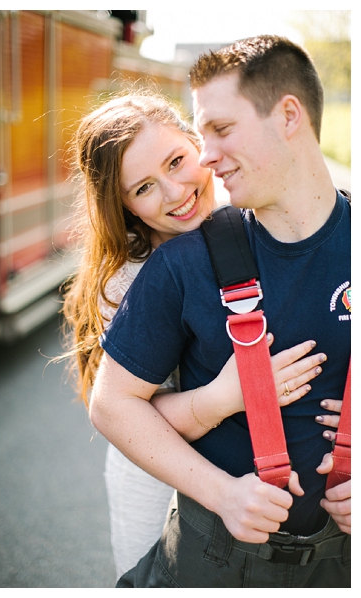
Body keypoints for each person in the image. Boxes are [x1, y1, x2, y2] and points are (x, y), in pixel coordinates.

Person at [89, 35, 350, 587]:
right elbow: (116, 406)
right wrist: (232, 402)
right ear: (129, 209)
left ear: (288, 116)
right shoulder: (152, 272)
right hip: (172, 489)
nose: (198, 167)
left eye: (215, 135)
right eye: (143, 188)